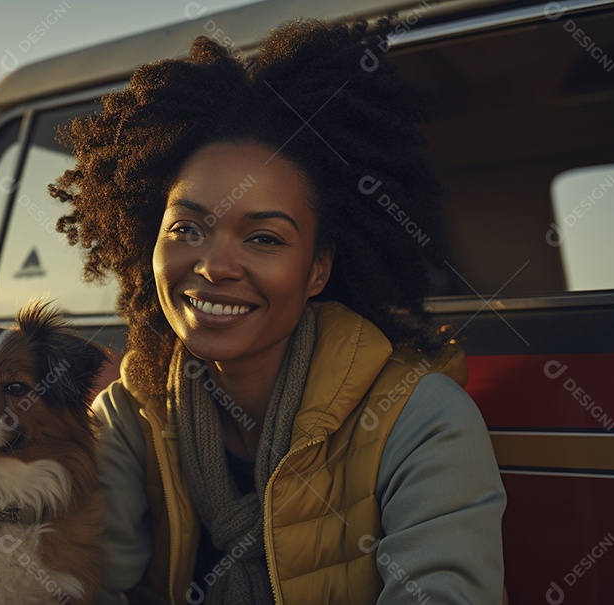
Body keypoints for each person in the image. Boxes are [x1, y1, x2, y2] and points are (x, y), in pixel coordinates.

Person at [49, 17, 506, 605]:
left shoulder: (421, 420)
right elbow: (79, 585)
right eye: (186, 227)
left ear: (318, 268)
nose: (214, 266)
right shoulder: (133, 415)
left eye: (264, 238)